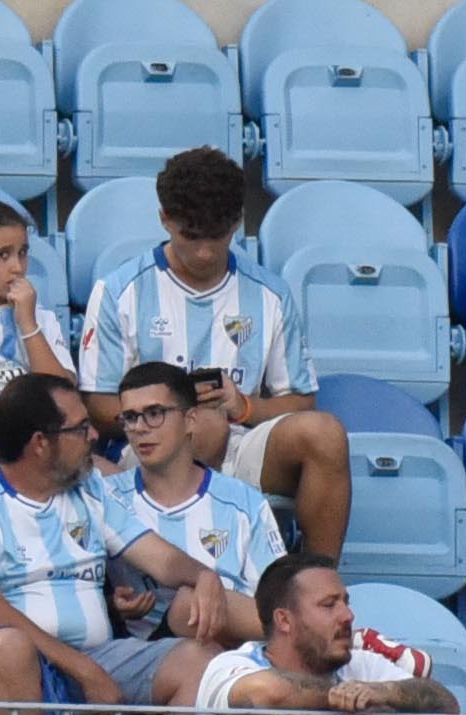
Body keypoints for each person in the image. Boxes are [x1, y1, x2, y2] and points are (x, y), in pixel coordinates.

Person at [76, 141, 360, 562]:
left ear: (238, 223)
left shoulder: (270, 294)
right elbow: (97, 404)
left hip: (242, 445)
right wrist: (167, 414)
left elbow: (301, 402)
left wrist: (242, 406)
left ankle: (317, 582)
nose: (205, 251)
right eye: (191, 236)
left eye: (218, 235)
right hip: (147, 447)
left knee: (326, 434)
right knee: (201, 426)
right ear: (165, 220)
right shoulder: (121, 291)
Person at [0, 372, 232, 714]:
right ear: (40, 443)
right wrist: (85, 671)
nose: (95, 435)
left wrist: (204, 575)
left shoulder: (89, 486)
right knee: (9, 648)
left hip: (94, 656)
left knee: (202, 663)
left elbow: (158, 557)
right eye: (80, 428)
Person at [208, 553, 453, 715]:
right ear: (284, 620)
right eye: (329, 605)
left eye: (346, 603)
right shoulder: (231, 665)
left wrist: (384, 691)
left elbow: (446, 703)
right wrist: (342, 695)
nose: (348, 616)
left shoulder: (358, 665)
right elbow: (264, 692)